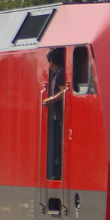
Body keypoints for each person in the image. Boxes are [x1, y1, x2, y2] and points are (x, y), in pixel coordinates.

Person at [43, 48, 66, 180]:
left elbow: (64, 92)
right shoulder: (58, 73)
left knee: (61, 145)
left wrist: (51, 100)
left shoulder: (61, 72)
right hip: (58, 115)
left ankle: (60, 174)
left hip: (62, 115)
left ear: (51, 61)